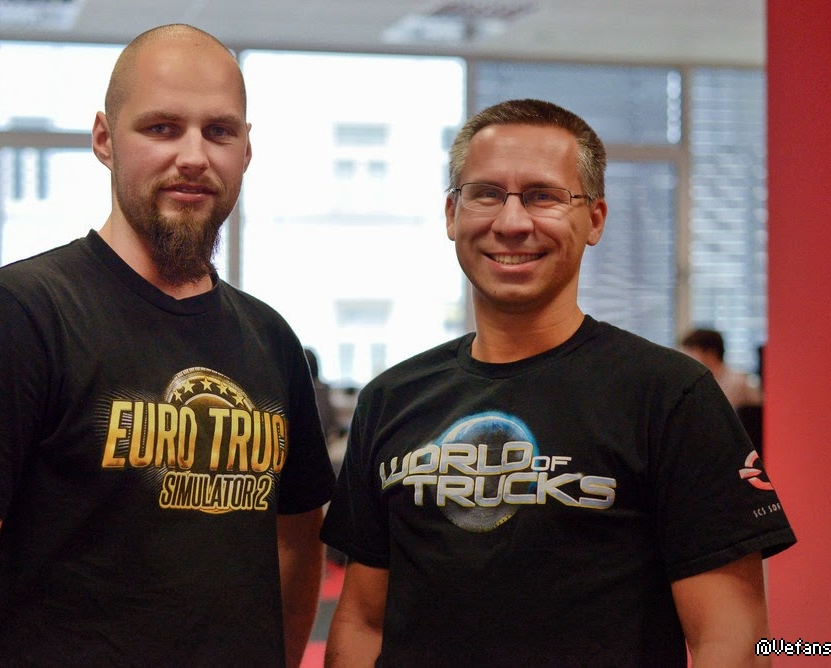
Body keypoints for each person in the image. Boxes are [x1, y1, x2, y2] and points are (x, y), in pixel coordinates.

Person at [0, 24, 335, 666]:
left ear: (246, 148)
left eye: (218, 131)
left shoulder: (271, 340)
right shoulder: (17, 315)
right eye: (162, 128)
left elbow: (295, 547)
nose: (193, 156)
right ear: (104, 139)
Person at [320, 99, 796, 666]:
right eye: (486, 193)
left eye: (543, 196)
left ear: (594, 219)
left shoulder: (670, 395)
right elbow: (362, 623)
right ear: (452, 213)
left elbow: (735, 639)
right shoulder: (390, 398)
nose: (511, 222)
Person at [680, 327, 763, 409]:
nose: (687, 358)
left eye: (691, 352)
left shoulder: (735, 382)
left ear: (711, 354)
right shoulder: (696, 381)